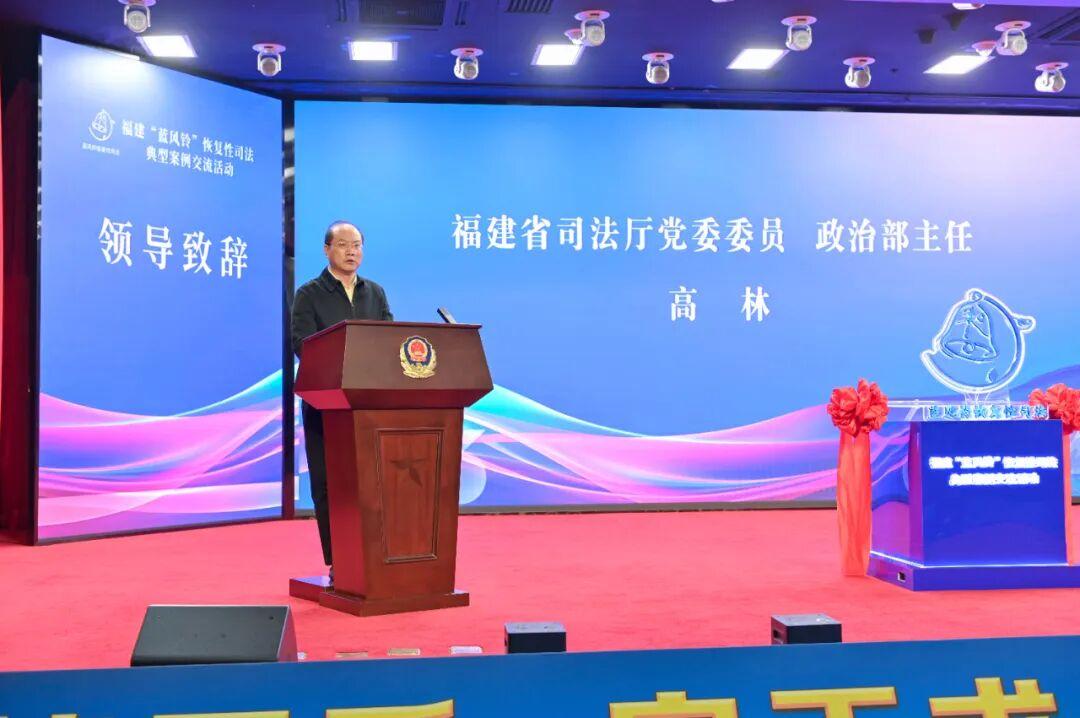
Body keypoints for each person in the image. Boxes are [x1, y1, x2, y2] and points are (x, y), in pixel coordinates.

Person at [292, 221, 393, 584]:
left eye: (357, 245)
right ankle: (340, 560)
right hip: (326, 405)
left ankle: (377, 554)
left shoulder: (375, 293)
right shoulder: (309, 294)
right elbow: (302, 344)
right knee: (329, 484)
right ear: (327, 250)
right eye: (343, 245)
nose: (352, 251)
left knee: (372, 483)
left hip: (368, 405)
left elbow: (388, 340)